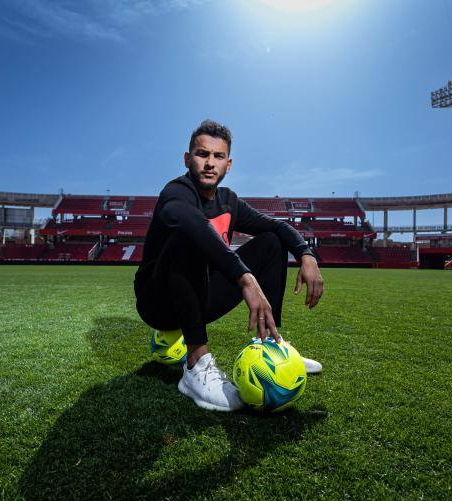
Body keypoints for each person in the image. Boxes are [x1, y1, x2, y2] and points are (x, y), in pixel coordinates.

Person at [134, 119, 324, 412]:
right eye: (202, 154)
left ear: (228, 164)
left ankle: (271, 347)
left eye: (218, 156)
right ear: (187, 159)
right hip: (158, 301)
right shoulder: (176, 191)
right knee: (191, 234)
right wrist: (246, 279)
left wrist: (306, 254)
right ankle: (196, 364)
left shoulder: (229, 201)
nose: (210, 163)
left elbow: (277, 225)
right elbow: (187, 222)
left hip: (200, 297)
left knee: (272, 240)